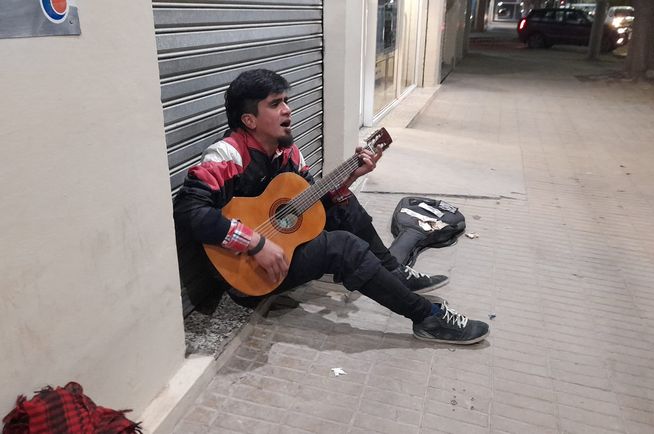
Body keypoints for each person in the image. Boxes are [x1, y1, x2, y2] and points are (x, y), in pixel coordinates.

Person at [173, 69, 489, 344]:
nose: (288, 110)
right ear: (249, 120)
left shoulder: (289, 153)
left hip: (283, 253)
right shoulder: (226, 156)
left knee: (343, 203)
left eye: (286, 101)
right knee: (343, 247)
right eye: (275, 104)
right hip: (245, 275)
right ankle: (428, 318)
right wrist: (255, 243)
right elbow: (189, 212)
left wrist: (349, 177)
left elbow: (312, 203)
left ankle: (394, 273)